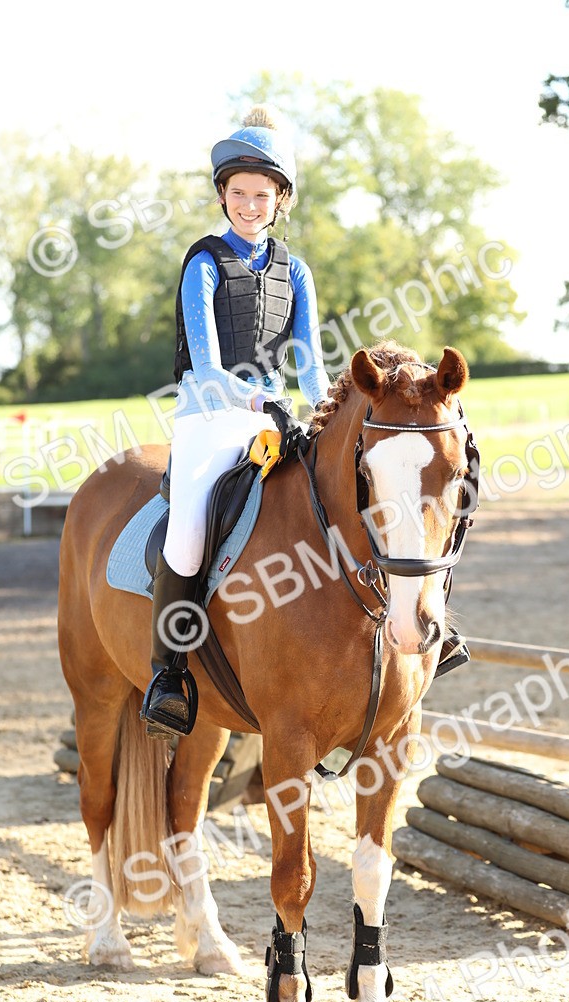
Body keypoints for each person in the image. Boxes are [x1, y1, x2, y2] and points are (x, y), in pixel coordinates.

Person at [141, 105, 331, 739]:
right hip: (208, 416)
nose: (250, 204)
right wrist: (255, 402)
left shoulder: (295, 271)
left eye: (262, 194)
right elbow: (206, 363)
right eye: (239, 193)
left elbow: (312, 364)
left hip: (270, 419)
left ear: (281, 200)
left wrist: (328, 411)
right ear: (223, 195)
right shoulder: (203, 263)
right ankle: (168, 672)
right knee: (189, 529)